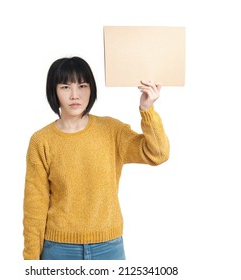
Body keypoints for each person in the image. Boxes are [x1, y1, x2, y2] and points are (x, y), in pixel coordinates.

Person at [23, 56, 169, 260]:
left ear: (91, 89)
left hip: (109, 248)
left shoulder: (111, 131)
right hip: (59, 249)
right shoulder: (41, 141)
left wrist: (147, 110)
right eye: (65, 87)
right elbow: (34, 207)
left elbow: (158, 153)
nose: (75, 95)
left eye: (82, 85)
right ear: (53, 91)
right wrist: (30, 263)